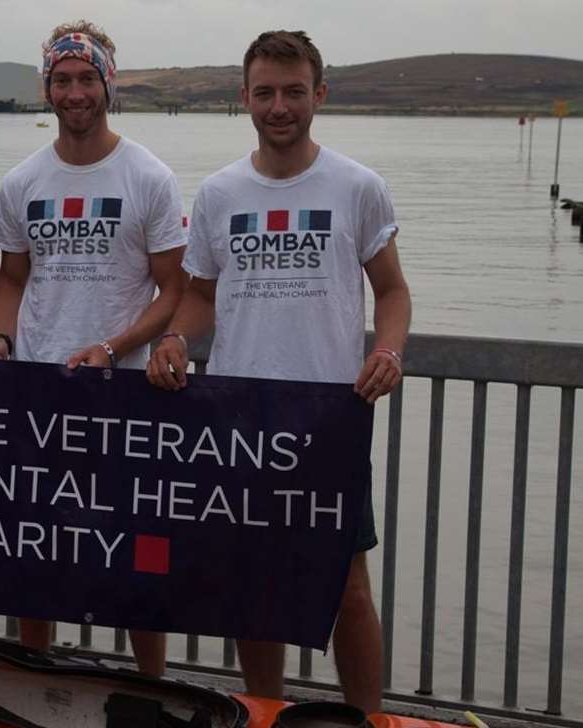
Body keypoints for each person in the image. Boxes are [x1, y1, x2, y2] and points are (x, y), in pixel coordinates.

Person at [146, 30, 411, 712]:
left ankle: (367, 719)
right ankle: (263, 712)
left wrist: (386, 350)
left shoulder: (358, 187)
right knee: (254, 583)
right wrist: (174, 338)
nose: (279, 106)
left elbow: (390, 291)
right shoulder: (218, 193)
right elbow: (200, 294)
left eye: (293, 92)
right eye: (264, 92)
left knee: (347, 588)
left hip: (329, 420)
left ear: (317, 95)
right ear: (244, 99)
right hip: (239, 419)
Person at [0, 20, 187, 677]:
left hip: (122, 393)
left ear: (106, 85)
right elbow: (11, 278)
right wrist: (2, 337)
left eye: (86, 79)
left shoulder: (147, 176)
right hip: (39, 392)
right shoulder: (21, 182)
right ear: (47, 89)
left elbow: (173, 290)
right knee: (34, 548)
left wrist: (115, 345)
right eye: (61, 80)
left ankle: (151, 688)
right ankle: (31, 681)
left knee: (135, 554)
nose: (74, 92)